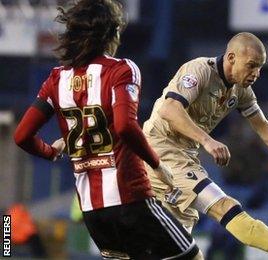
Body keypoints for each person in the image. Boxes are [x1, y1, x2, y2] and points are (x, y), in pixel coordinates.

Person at [13, 1, 200, 258]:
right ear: (111, 34)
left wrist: (51, 151)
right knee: (191, 255)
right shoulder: (122, 69)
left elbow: (21, 136)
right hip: (130, 199)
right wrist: (157, 165)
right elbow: (124, 125)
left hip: (92, 211)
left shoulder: (56, 79)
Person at [142, 32, 268, 259]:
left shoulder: (241, 91)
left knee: (182, 252)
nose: (256, 73)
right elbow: (169, 109)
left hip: (184, 156)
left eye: (260, 67)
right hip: (162, 152)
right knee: (224, 206)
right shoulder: (199, 71)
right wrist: (207, 140)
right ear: (231, 58)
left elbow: (263, 126)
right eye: (251, 66)